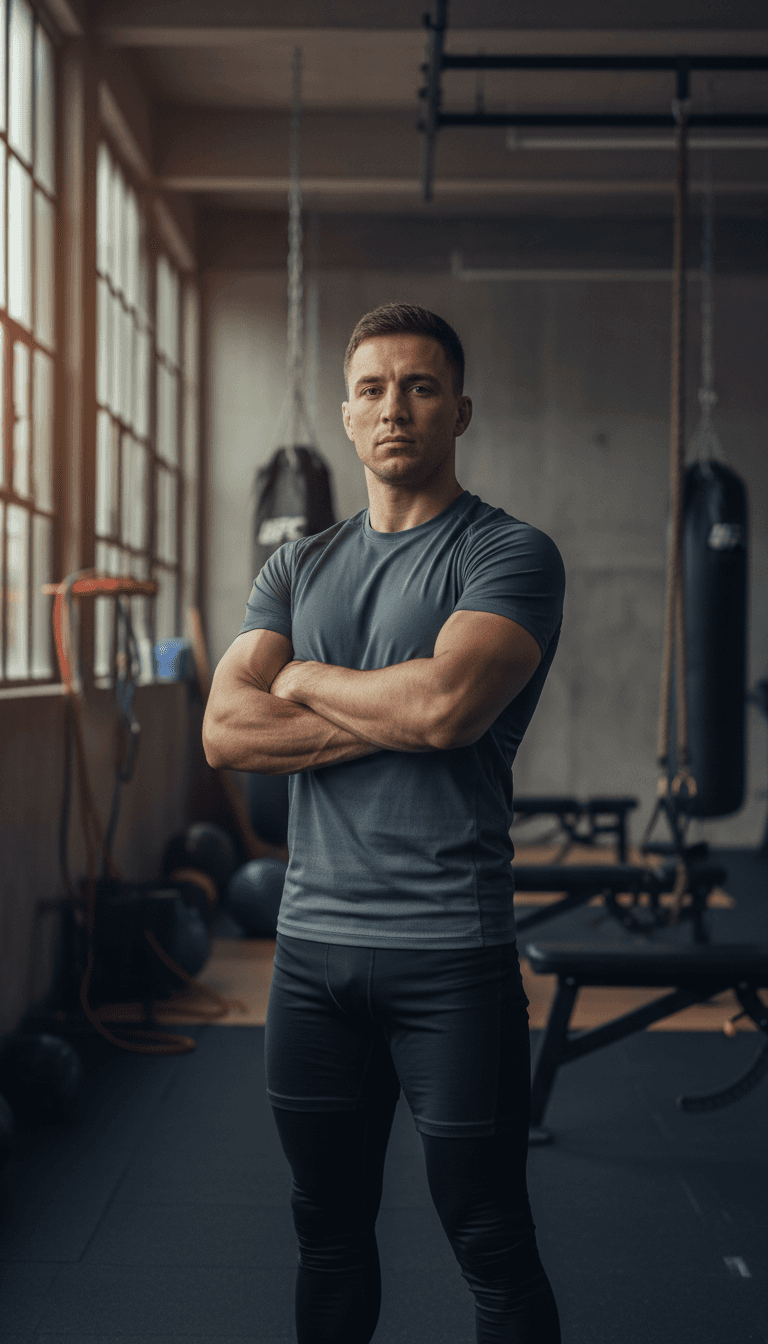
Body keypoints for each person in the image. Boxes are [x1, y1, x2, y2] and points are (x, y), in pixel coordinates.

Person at [203, 303, 565, 1344]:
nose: (393, 407)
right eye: (371, 388)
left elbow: (449, 708)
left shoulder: (509, 554)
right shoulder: (297, 565)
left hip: (452, 956)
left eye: (417, 386)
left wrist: (308, 678)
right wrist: (396, 706)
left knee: (489, 1238)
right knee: (324, 1232)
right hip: (311, 960)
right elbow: (227, 732)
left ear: (461, 409)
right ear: (347, 416)